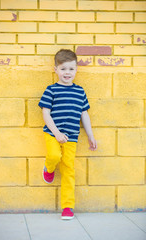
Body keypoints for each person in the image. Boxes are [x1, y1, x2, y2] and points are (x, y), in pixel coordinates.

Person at [38, 49, 97, 220]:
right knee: (54, 155)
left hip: (71, 137)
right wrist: (56, 133)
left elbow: (84, 114)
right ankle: (48, 168)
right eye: (63, 69)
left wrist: (91, 135)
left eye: (71, 69)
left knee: (68, 170)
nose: (67, 73)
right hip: (52, 133)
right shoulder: (51, 90)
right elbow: (45, 113)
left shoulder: (80, 91)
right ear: (55, 69)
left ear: (76, 69)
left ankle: (68, 207)